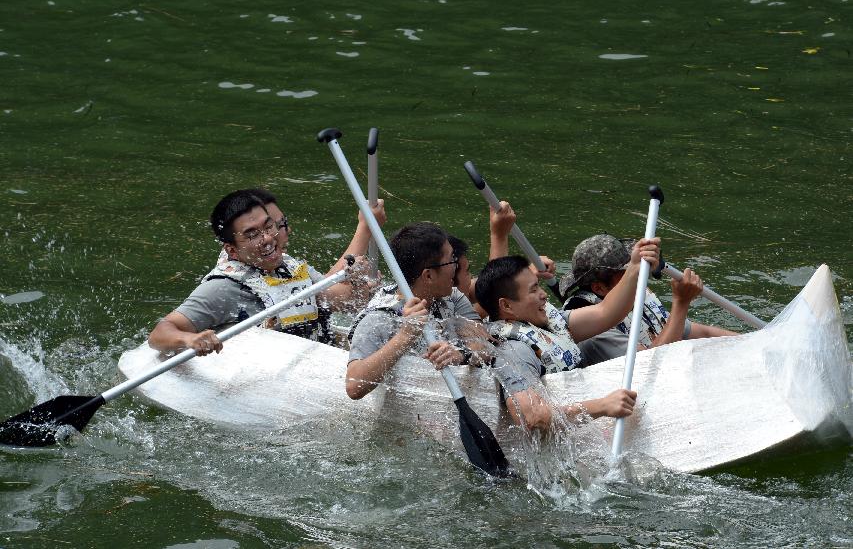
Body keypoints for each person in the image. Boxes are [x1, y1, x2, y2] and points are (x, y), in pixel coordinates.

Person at [148, 189, 385, 356]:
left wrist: (360, 283)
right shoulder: (223, 287)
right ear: (231, 249)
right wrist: (189, 339)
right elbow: (159, 334)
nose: (268, 239)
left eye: (269, 226)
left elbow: (335, 300)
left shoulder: (289, 267)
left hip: (313, 359)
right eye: (251, 235)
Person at [474, 241, 659, 432]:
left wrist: (635, 267)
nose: (544, 295)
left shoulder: (548, 323)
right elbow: (531, 417)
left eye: (539, 286)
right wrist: (602, 406)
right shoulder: (514, 350)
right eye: (533, 290)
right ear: (506, 306)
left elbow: (607, 312)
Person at [345, 222, 491, 400]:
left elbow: (485, 345)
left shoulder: (452, 298)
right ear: (428, 275)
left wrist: (461, 354)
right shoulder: (378, 317)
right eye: (452, 259)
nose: (456, 267)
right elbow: (354, 386)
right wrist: (406, 335)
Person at [561, 234, 737, 366]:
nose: (639, 277)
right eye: (628, 274)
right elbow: (651, 368)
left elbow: (699, 333)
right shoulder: (591, 327)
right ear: (599, 288)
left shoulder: (636, 292)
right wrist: (681, 303)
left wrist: (753, 341)